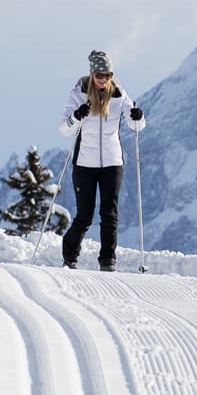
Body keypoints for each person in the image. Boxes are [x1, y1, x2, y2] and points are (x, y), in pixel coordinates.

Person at [57, 49, 144, 270]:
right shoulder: (78, 94)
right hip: (85, 164)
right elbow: (64, 129)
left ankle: (107, 261)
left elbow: (136, 126)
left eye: (107, 75)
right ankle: (69, 256)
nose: (103, 80)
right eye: (99, 75)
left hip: (113, 163)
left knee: (109, 213)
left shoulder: (119, 95)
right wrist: (77, 116)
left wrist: (138, 117)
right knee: (85, 216)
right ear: (92, 74)